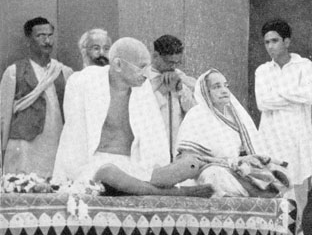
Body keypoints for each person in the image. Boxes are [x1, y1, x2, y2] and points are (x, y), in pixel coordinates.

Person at [52, 37, 211, 197]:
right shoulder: (84, 83)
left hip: (134, 166)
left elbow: (155, 136)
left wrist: (159, 168)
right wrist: (72, 173)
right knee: (108, 172)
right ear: (118, 65)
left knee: (190, 164)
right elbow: (73, 136)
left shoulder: (143, 89)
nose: (146, 73)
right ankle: (174, 192)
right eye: (141, 67)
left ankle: (155, 184)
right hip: (96, 166)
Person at [176, 68, 289, 198]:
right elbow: (189, 159)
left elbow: (246, 153)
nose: (224, 90)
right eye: (217, 87)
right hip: (207, 171)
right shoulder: (197, 114)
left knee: (277, 175)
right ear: (206, 92)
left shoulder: (235, 118)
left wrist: (245, 163)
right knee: (214, 175)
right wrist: (227, 162)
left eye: (226, 85)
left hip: (236, 169)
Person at [255, 19, 312, 218]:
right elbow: (263, 103)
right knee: (272, 190)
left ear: (287, 42)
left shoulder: (304, 66)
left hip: (297, 137)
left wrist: (278, 93)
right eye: (267, 42)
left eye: (275, 41)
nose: (271, 46)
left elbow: (309, 96)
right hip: (270, 138)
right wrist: (293, 96)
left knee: (298, 192)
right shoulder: (262, 71)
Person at [0, 17, 74, 176]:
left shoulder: (64, 72)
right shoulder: (14, 72)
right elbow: (4, 116)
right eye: (40, 36)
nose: (47, 41)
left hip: (55, 144)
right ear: (28, 40)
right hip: (24, 146)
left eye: (50, 35)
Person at [148, 35, 196, 159]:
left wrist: (180, 89)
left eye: (176, 62)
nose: (173, 67)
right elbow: (141, 112)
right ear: (155, 56)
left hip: (177, 147)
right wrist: (163, 91)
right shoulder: (143, 79)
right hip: (151, 145)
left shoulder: (180, 76)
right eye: (169, 62)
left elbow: (193, 111)